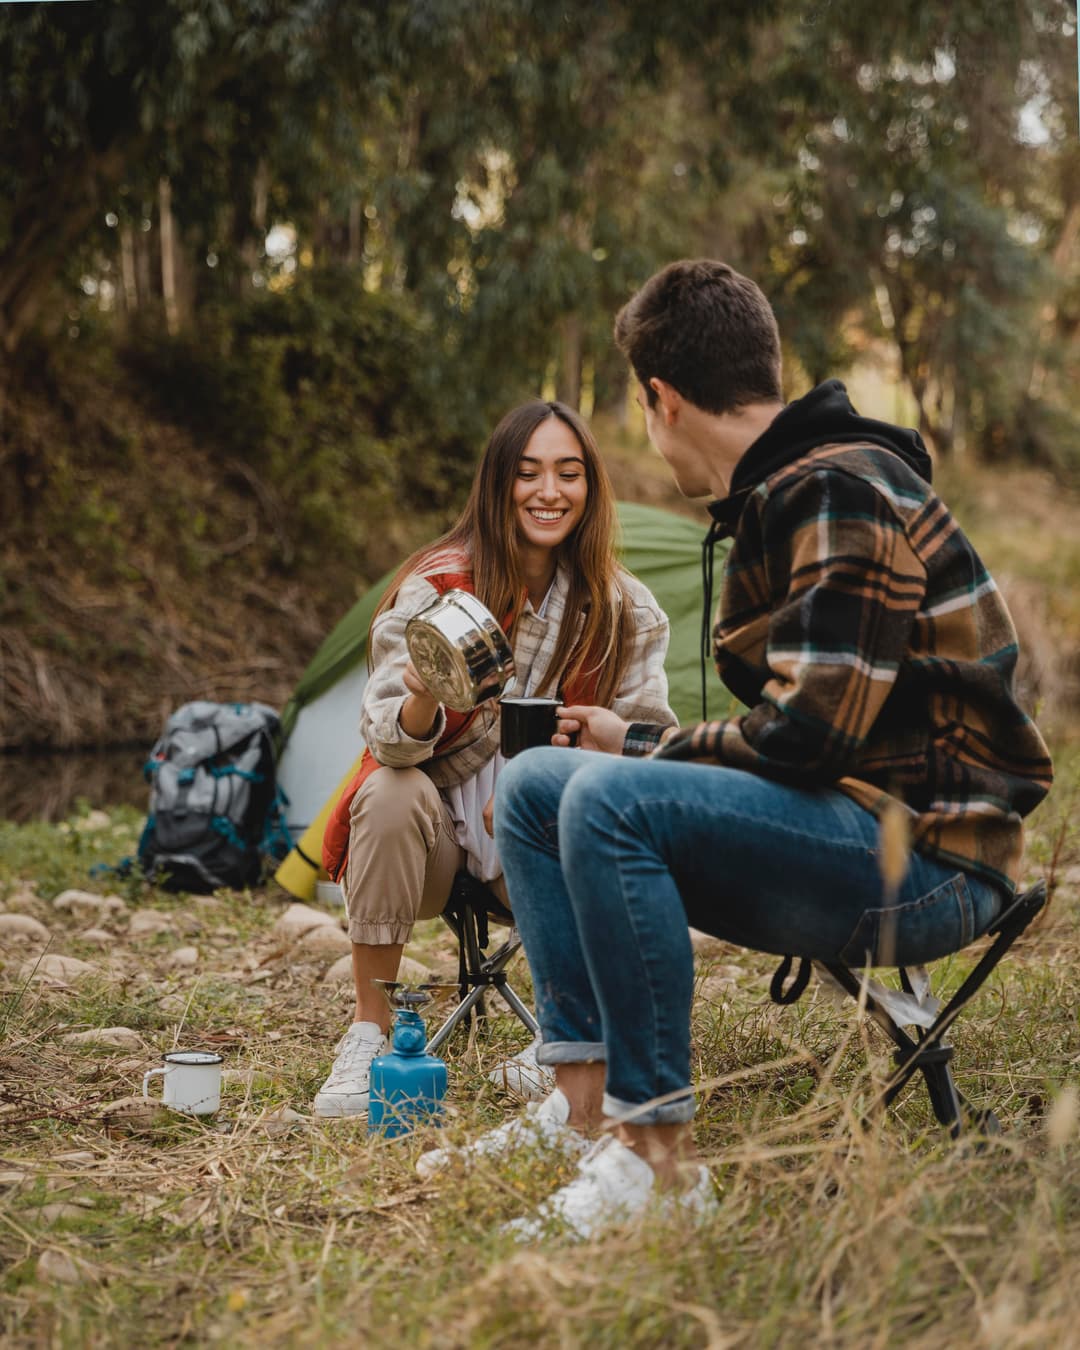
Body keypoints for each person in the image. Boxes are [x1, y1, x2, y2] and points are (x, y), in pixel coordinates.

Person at [416, 259, 1054, 1241]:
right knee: (543, 781)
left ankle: (657, 1167)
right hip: (853, 818)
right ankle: (580, 1108)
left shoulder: (835, 488)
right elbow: (811, 730)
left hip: (928, 861)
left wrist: (643, 758)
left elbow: (810, 734)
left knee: (608, 799)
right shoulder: (799, 486)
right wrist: (637, 738)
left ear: (661, 400)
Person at [312, 399, 676, 1117]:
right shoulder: (437, 587)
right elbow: (384, 736)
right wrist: (421, 699)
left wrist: (583, 758)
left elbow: (651, 755)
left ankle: (565, 1037)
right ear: (497, 484)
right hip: (435, 843)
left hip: (539, 844)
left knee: (589, 803)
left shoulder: (625, 610)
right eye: (528, 473)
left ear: (591, 488)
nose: (549, 492)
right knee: (387, 788)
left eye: (568, 474)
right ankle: (367, 1037)